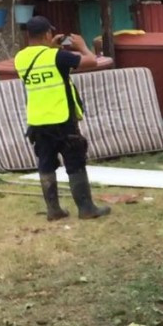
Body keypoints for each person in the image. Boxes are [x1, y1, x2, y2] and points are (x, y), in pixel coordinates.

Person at [15, 16, 110, 221]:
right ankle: (86, 208)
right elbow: (91, 61)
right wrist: (82, 46)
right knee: (74, 161)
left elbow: (41, 59)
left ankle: (53, 210)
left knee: (46, 163)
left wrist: (51, 47)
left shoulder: (20, 58)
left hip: (37, 121)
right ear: (47, 34)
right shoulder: (57, 56)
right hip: (62, 118)